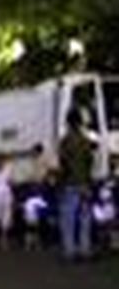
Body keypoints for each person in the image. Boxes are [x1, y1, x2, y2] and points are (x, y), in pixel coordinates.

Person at [57, 109, 96, 262]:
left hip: (71, 183)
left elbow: (64, 163)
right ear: (80, 123)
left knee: (68, 220)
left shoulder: (66, 141)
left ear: (68, 123)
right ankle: (85, 250)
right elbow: (90, 161)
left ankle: (70, 251)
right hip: (85, 183)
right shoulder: (85, 140)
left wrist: (62, 181)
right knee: (85, 218)